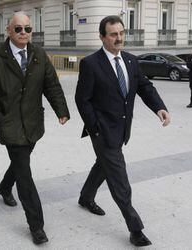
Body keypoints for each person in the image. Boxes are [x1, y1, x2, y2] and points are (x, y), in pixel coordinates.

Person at [75, 15, 171, 247]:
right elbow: (82, 99)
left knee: (104, 165)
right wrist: (94, 127)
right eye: (113, 34)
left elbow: (145, 87)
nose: (119, 38)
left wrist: (159, 107)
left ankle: (85, 197)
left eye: (121, 33)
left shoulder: (130, 61)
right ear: (102, 37)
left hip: (122, 129)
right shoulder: (91, 63)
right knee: (120, 179)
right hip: (103, 131)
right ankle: (135, 228)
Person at [0, 12, 70, 245]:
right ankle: (36, 226)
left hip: (32, 125)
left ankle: (3, 187)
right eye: (18, 29)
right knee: (25, 175)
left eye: (28, 29)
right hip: (10, 126)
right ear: (8, 31)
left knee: (21, 163)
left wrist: (61, 109)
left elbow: (51, 84)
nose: (23, 33)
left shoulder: (39, 54)